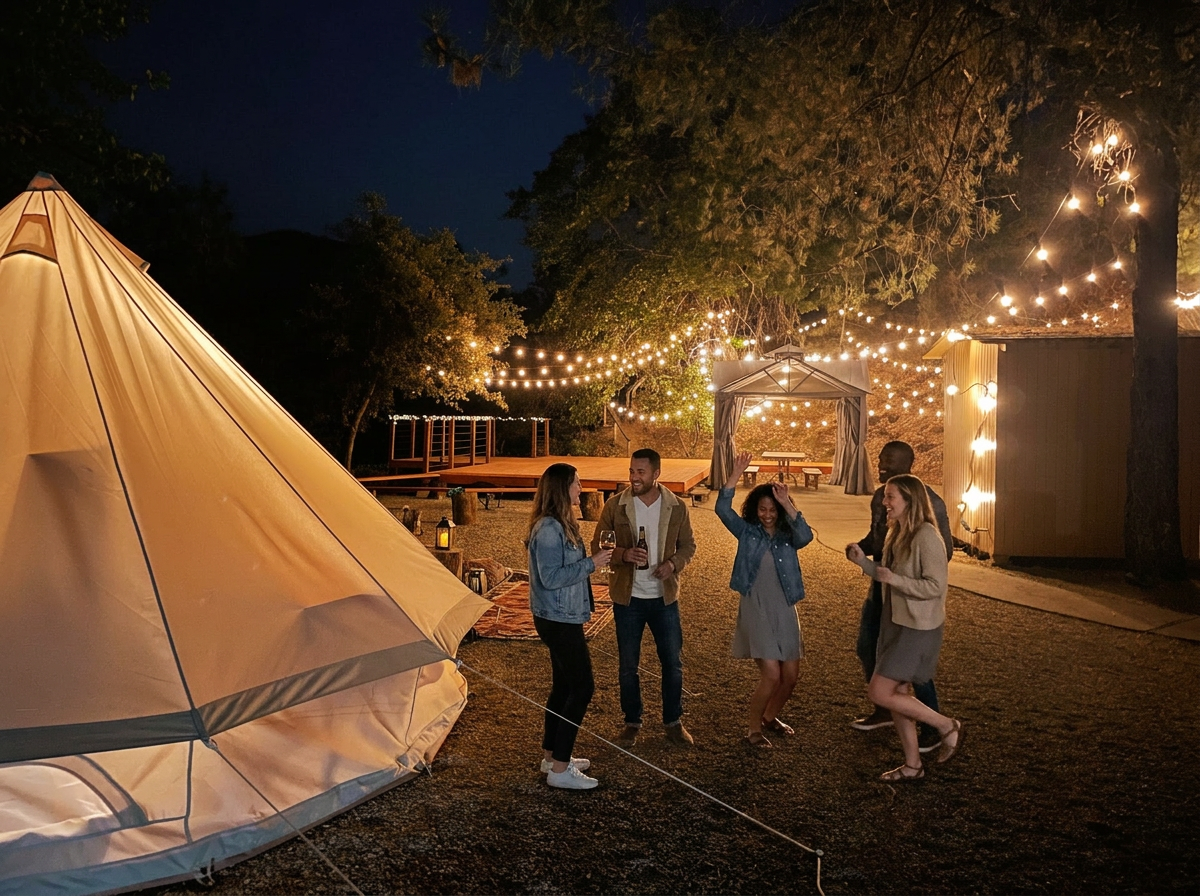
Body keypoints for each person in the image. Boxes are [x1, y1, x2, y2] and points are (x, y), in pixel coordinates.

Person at [845, 474, 963, 780]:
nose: (884, 503)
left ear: (909, 501)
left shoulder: (927, 537)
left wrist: (894, 579)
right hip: (896, 622)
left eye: (890, 497)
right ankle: (913, 766)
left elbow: (935, 586)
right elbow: (887, 574)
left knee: (880, 691)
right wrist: (863, 563)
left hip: (917, 628)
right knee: (897, 692)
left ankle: (944, 725)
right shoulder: (897, 532)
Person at [591, 448, 698, 746]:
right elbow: (597, 545)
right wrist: (624, 554)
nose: (634, 477)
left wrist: (672, 564)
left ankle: (673, 721)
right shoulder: (616, 505)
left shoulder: (675, 506)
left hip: (664, 598)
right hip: (628, 598)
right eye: (632, 471)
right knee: (628, 664)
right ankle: (632, 721)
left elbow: (688, 546)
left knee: (672, 663)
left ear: (656, 474)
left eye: (641, 472)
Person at [716, 451, 814, 748]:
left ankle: (771, 717)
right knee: (771, 674)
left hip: (785, 605)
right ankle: (753, 730)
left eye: (772, 509)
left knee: (791, 676)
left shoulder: (789, 534)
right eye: (762, 509)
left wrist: (787, 502)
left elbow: (806, 536)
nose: (767, 514)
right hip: (756, 605)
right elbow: (722, 509)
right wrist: (735, 473)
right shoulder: (748, 533)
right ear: (754, 510)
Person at [527, 462, 613, 790]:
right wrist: (593, 563)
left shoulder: (562, 523)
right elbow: (549, 578)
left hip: (562, 615)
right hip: (557, 617)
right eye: (577, 484)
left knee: (563, 686)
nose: (581, 488)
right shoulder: (549, 528)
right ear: (563, 489)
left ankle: (552, 756)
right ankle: (560, 770)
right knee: (582, 687)